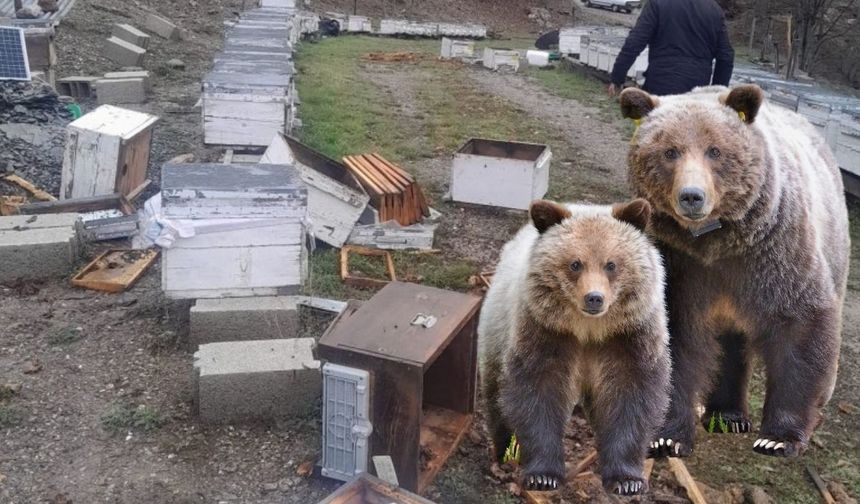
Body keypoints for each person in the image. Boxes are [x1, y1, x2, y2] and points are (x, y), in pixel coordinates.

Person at [607, 0, 735, 97]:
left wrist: (617, 78)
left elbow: (635, 42)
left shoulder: (657, 3)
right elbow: (726, 57)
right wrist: (716, 94)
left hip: (660, 87)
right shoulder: (714, 10)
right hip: (697, 91)